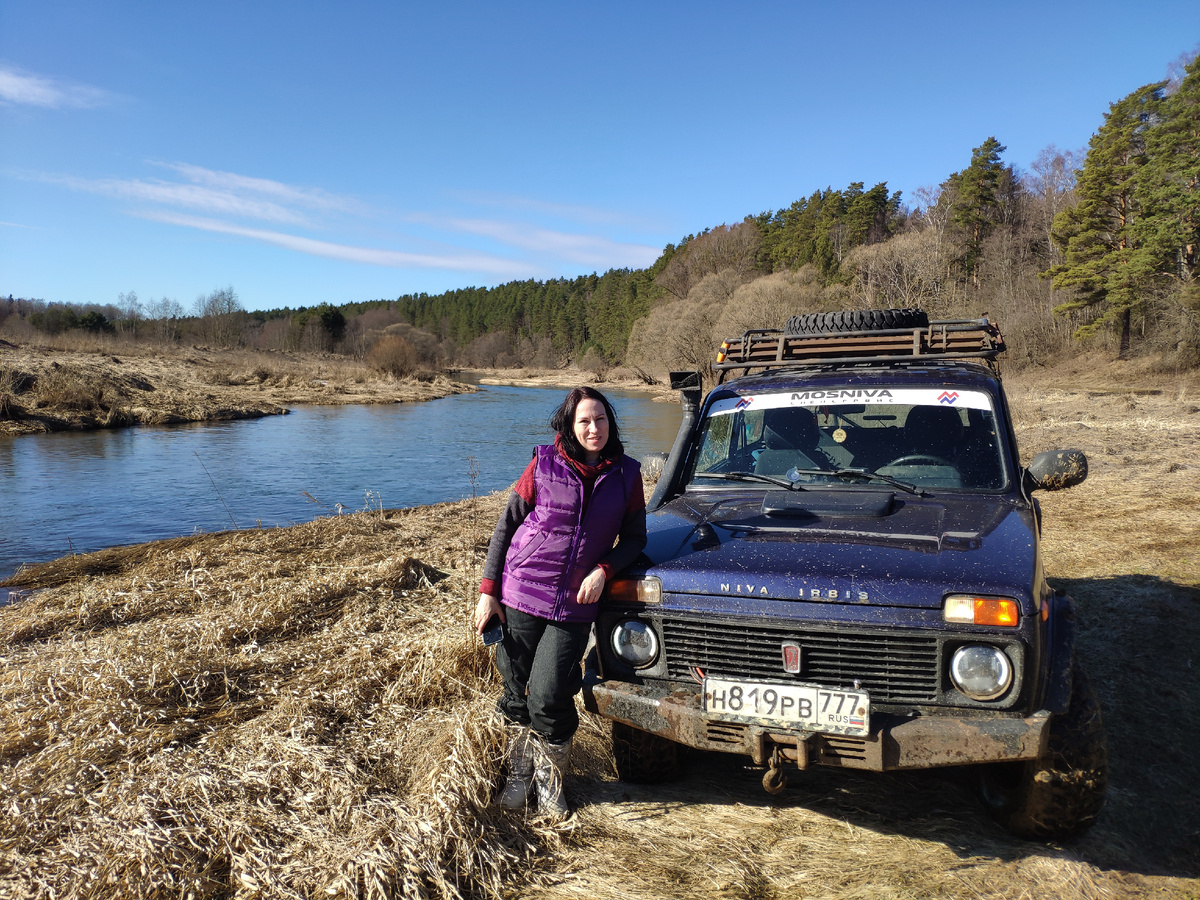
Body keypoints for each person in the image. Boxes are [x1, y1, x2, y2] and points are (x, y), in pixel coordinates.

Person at [474, 386, 647, 818]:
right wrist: (488, 592)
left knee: (549, 694)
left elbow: (636, 539)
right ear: (570, 425)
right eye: (584, 420)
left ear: (610, 423)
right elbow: (507, 525)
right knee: (516, 690)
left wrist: (604, 569)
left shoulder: (627, 475)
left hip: (574, 604)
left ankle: (550, 784)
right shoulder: (544, 463)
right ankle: (519, 779)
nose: (594, 428)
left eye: (601, 419)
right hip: (520, 591)